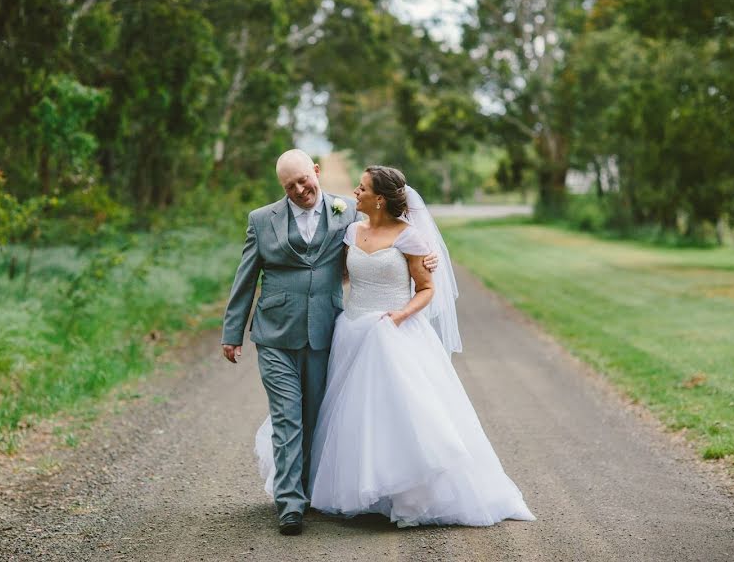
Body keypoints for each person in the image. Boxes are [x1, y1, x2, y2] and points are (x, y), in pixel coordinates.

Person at [255, 165, 535, 528]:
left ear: (380, 199)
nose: (354, 193)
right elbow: (335, 274)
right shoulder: (351, 231)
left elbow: (428, 289)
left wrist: (401, 315)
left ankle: (407, 493)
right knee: (346, 415)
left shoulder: (410, 237)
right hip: (352, 331)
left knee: (403, 415)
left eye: (362, 188)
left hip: (393, 332)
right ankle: (338, 489)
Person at [221, 151, 437, 535]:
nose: (300, 190)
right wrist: (232, 333)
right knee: (287, 416)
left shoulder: (349, 211)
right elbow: (246, 277)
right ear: (282, 188)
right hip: (274, 332)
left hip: (327, 329)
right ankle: (290, 504)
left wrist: (428, 255)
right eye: (290, 186)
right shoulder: (261, 219)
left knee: (315, 416)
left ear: (316, 172)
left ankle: (309, 488)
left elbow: (394, 230)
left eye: (304, 180)